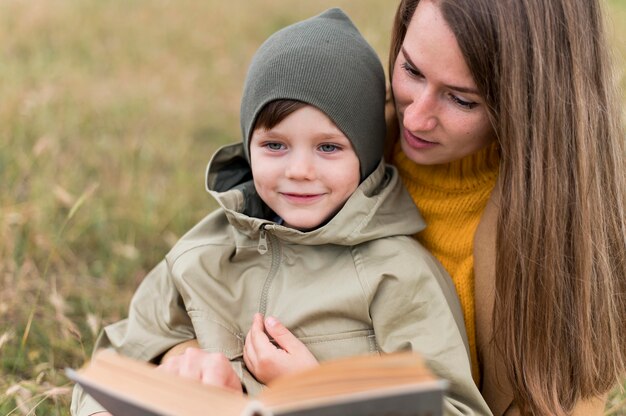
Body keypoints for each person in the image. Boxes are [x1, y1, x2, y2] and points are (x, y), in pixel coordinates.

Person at [71, 8, 492, 416]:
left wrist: (317, 390)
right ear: (248, 146)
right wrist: (165, 371)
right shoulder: (202, 250)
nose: (300, 171)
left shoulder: (398, 275)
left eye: (328, 147)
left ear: (364, 157)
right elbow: (112, 364)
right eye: (275, 145)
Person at [385, 0, 626, 414]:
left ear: (533, 103)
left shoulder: (571, 227)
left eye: (462, 100)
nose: (416, 119)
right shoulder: (344, 137)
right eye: (411, 70)